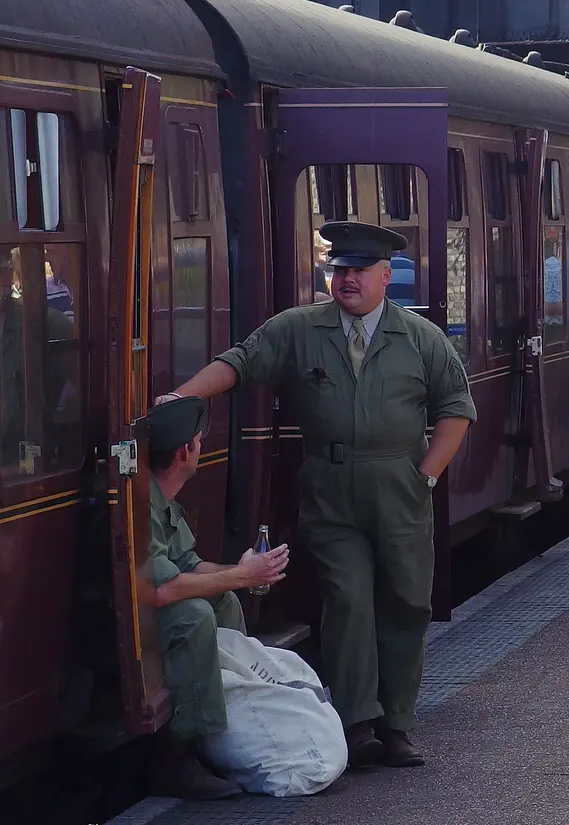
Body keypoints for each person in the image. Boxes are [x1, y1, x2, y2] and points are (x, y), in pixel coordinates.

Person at [161, 221, 476, 769]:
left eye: (359, 271)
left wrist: (426, 475)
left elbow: (456, 409)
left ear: (386, 276)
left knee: (406, 601)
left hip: (399, 486)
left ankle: (397, 724)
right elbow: (238, 362)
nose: (347, 280)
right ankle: (356, 723)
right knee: (348, 599)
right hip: (330, 488)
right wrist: (181, 398)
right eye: (339, 270)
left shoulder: (420, 337)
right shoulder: (298, 329)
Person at [144, 396, 291, 799]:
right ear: (184, 452)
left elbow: (188, 566)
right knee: (193, 615)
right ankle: (179, 755)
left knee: (223, 600)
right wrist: (242, 575)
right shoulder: (142, 504)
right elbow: (160, 589)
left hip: (152, 610)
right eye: (198, 440)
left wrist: (238, 574)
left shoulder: (161, 497)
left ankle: (235, 718)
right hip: (133, 625)